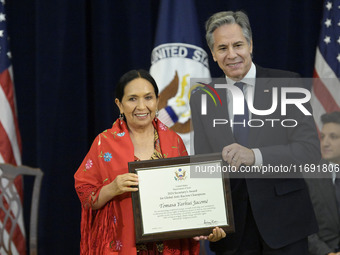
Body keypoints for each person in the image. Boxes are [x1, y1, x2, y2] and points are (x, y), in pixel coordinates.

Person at [190, 11, 321, 254]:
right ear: (213, 54)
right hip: (233, 232)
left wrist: (255, 156)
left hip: (285, 225)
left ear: (250, 45)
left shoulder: (288, 84)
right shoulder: (203, 97)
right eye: (222, 48)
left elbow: (309, 152)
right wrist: (204, 217)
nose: (231, 54)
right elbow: (205, 164)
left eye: (238, 45)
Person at [74, 69, 225, 254]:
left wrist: (204, 226)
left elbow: (188, 198)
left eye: (148, 97)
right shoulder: (103, 143)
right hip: (122, 245)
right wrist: (112, 188)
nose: (141, 106)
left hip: (168, 247)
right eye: (132, 99)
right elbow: (85, 194)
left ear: (157, 100)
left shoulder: (174, 141)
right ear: (119, 104)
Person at [306, 111, 340, 255]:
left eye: (333, 137)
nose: (325, 143)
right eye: (323, 137)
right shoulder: (308, 177)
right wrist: (326, 253)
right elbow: (302, 226)